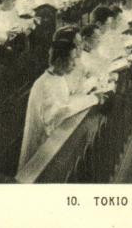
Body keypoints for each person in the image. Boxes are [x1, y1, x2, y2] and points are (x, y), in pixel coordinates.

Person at [17, 39, 99, 168]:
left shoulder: (58, 77)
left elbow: (65, 102)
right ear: (60, 61)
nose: (74, 64)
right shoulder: (44, 83)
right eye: (72, 60)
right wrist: (92, 99)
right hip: (43, 145)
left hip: (53, 136)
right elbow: (57, 114)